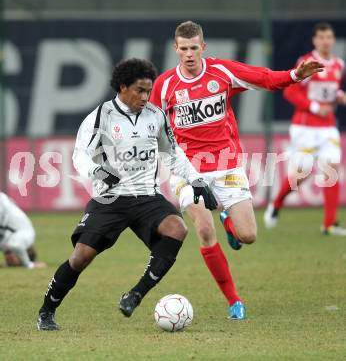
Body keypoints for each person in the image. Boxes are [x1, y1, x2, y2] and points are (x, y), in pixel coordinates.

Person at [149, 20, 323, 320]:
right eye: (183, 48)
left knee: (249, 236)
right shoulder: (165, 85)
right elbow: (151, 125)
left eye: (194, 48)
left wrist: (295, 75)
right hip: (187, 168)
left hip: (226, 163)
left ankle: (229, 219)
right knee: (203, 229)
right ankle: (234, 301)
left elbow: (264, 78)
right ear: (175, 49)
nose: (189, 54)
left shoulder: (222, 72)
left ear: (203, 47)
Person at [36, 58, 217, 331]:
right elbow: (80, 155)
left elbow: (172, 153)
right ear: (122, 87)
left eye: (148, 91)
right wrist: (98, 172)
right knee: (81, 256)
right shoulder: (101, 116)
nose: (145, 97)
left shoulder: (156, 116)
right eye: (140, 90)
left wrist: (197, 180)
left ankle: (135, 295)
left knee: (177, 229)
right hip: (110, 198)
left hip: (146, 195)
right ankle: (47, 311)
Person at [264, 23, 346, 235]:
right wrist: (315, 106)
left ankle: (329, 224)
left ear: (333, 40)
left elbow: (331, 92)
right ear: (314, 40)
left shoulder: (338, 65)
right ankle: (277, 202)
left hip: (328, 127)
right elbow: (290, 93)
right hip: (305, 127)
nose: (325, 41)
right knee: (302, 173)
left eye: (329, 37)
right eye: (321, 37)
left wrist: (339, 97)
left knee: (331, 170)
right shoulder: (307, 63)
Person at [0, 192, 46, 269]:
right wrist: (28, 264)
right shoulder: (28, 235)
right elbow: (16, 246)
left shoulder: (8, 238)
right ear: (23, 254)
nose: (8, 257)